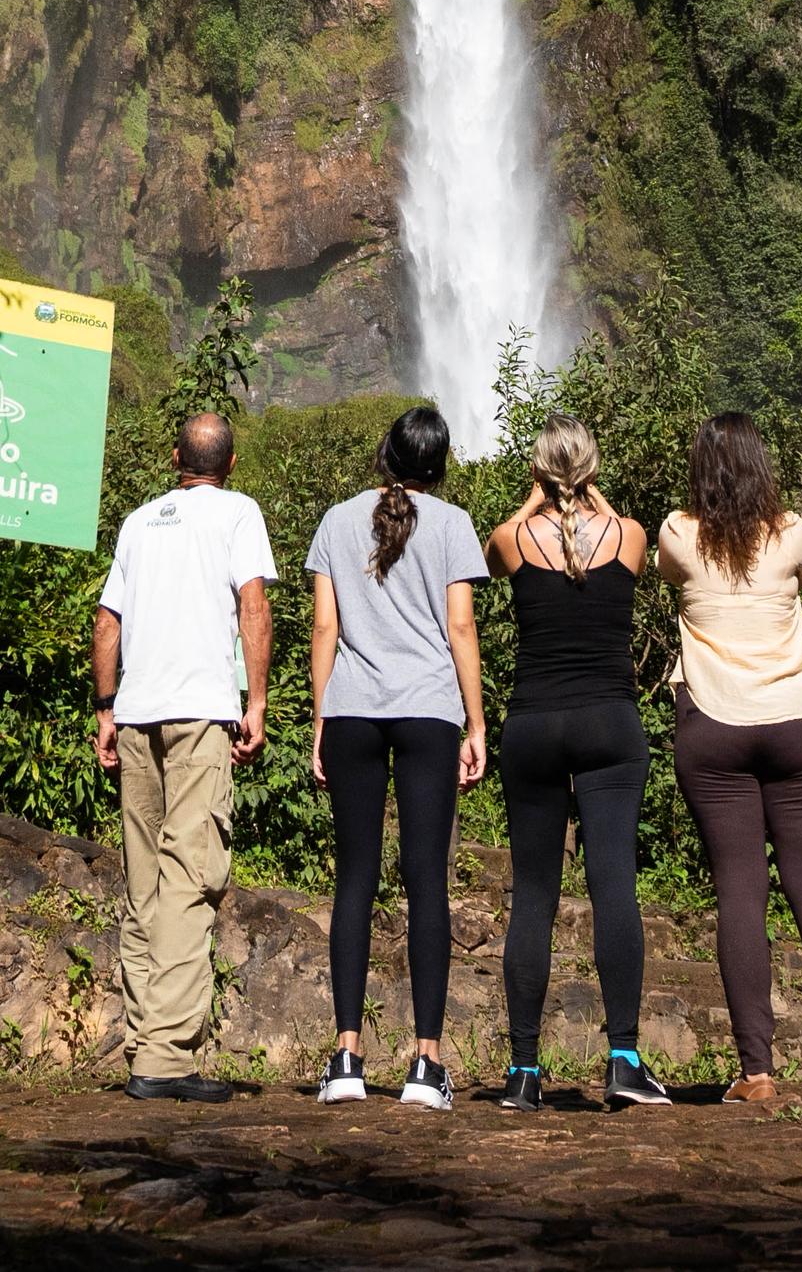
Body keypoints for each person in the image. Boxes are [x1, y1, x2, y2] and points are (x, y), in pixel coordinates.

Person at [658, 410, 802, 1112]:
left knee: (741, 894)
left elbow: (666, 573)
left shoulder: (679, 533)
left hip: (714, 728)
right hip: (796, 728)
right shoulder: (793, 533)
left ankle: (759, 1073)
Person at [301, 403, 488, 1112]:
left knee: (354, 878)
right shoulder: (454, 524)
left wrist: (319, 716)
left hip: (351, 706)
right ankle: (425, 1065)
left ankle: (346, 1057)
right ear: (439, 464)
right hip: (428, 709)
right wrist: (475, 721)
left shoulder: (336, 520)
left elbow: (325, 625)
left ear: (384, 454)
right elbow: (461, 625)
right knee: (425, 880)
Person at [485, 417, 672, 1112]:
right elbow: (617, 526)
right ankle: (622, 1058)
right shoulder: (629, 535)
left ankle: (524, 1072)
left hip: (532, 724)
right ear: (593, 471)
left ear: (537, 472)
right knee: (614, 886)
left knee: (533, 894)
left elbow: (490, 550)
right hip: (608, 723)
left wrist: (534, 504)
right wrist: (590, 497)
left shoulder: (514, 538)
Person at [92, 408, 276, 1102]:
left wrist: (105, 708)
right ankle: (167, 1058)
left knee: (145, 879)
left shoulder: (139, 522)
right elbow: (251, 605)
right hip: (200, 712)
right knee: (190, 875)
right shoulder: (237, 513)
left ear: (177, 460)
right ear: (230, 465)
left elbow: (108, 620)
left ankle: (145, 1044)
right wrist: (254, 701)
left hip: (136, 713)